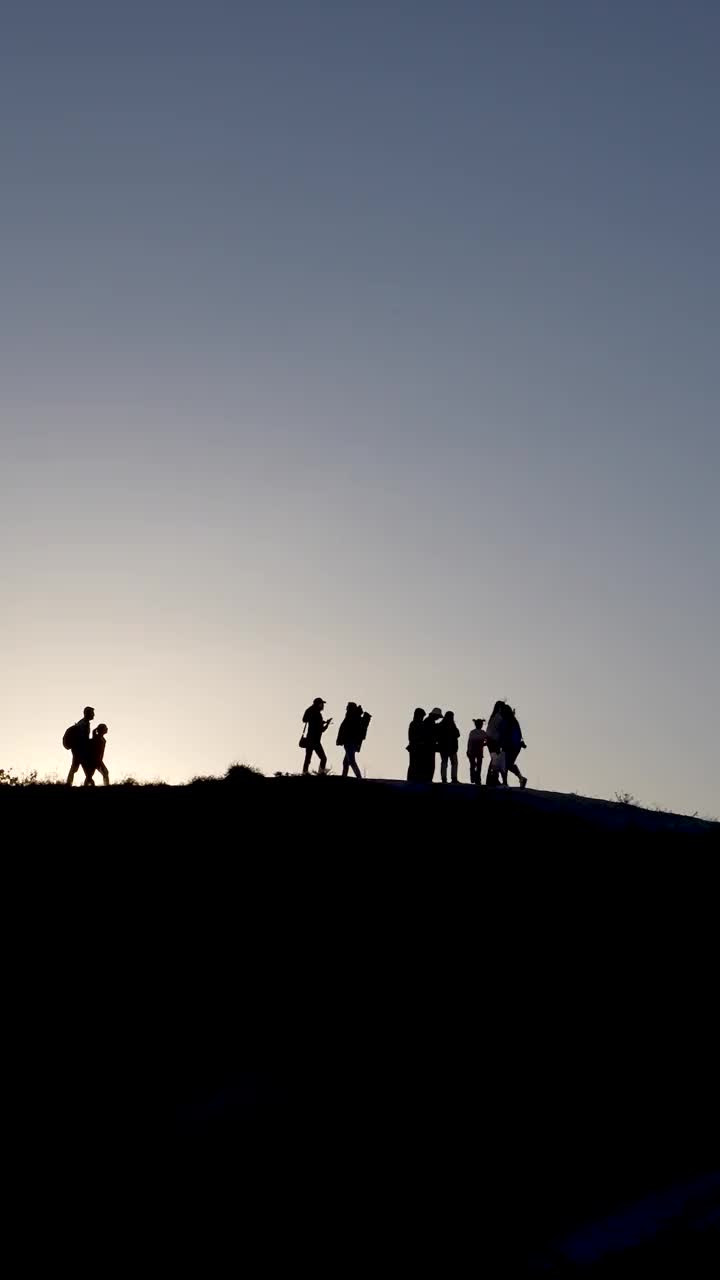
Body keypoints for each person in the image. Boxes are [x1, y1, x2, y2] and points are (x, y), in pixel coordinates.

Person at [337, 702, 371, 779]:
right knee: (346, 762)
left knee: (351, 761)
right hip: (351, 742)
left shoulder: (352, 717)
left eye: (348, 707)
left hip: (349, 742)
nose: (346, 708)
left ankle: (359, 778)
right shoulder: (354, 717)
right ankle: (344, 776)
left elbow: (347, 730)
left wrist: (342, 739)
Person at [65, 705, 95, 786]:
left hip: (79, 749)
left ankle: (70, 784)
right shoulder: (83, 724)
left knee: (79, 768)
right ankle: (69, 784)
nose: (94, 715)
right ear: (87, 713)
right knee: (79, 768)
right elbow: (83, 739)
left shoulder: (84, 723)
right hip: (80, 750)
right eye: (92, 713)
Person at [301, 698, 332, 774]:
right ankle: (321, 773)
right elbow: (322, 730)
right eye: (322, 704)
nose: (323, 705)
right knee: (323, 758)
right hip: (315, 740)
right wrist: (327, 724)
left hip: (309, 738)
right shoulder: (318, 714)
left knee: (308, 757)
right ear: (318, 704)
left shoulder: (310, 711)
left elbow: (304, 720)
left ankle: (304, 772)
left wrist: (322, 723)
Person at [485, 701, 508, 788]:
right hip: (494, 741)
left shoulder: (493, 717)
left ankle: (491, 778)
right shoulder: (499, 717)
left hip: (490, 740)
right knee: (496, 760)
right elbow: (501, 730)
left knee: (494, 759)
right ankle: (493, 779)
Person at [504, 707, 528, 789]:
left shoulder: (509, 722)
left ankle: (507, 782)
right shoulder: (514, 722)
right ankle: (521, 778)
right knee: (509, 764)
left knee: (507, 764)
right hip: (517, 746)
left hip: (512, 746)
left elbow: (508, 735)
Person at [437, 711, 460, 783]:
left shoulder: (441, 724)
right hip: (450, 747)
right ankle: (453, 778)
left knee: (445, 763)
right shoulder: (451, 724)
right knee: (453, 763)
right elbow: (458, 734)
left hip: (445, 747)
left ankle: (445, 778)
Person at [422, 708, 444, 782]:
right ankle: (427, 780)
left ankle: (427, 779)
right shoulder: (429, 722)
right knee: (429, 765)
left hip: (429, 746)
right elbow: (430, 734)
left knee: (429, 764)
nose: (438, 718)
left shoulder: (429, 721)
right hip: (428, 747)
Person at [407, 708, 426, 781]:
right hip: (415, 747)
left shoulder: (418, 723)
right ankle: (411, 779)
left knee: (418, 764)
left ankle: (416, 778)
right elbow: (411, 736)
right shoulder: (414, 723)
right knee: (413, 764)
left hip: (418, 747)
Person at [466, 718, 487, 785]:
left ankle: (473, 778)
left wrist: (468, 750)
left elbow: (469, 742)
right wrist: (483, 744)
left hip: (472, 750)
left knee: (473, 765)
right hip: (478, 751)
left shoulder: (472, 732)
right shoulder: (483, 733)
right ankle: (477, 779)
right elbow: (487, 740)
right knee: (478, 765)